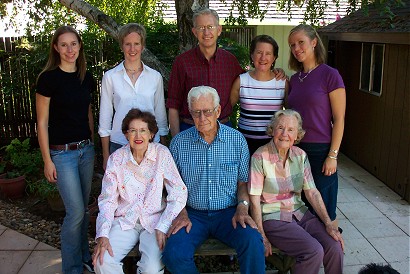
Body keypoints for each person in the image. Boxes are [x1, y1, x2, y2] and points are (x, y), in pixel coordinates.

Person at [162, 86, 265, 274]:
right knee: (174, 253)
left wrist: (242, 208)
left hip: (228, 214)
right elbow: (171, 186)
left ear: (217, 111)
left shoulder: (236, 140)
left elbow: (242, 183)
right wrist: (181, 212)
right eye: (196, 112)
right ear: (190, 113)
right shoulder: (179, 143)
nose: (202, 119)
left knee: (252, 241)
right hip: (193, 215)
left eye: (208, 111)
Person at [248, 109, 344, 274]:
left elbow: (312, 192)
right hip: (273, 217)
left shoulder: (300, 155)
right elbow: (254, 200)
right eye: (280, 128)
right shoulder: (259, 157)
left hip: (300, 213)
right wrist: (261, 236)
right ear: (272, 130)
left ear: (297, 134)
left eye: (291, 130)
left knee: (334, 246)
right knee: (313, 251)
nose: (285, 134)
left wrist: (328, 224)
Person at [93, 109, 187, 274]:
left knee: (151, 269)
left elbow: (179, 192)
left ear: (151, 134)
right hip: (125, 221)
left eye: (143, 130)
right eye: (133, 131)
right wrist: (103, 234)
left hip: (154, 222)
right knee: (102, 262)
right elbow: (108, 200)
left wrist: (164, 225)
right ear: (126, 134)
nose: (138, 136)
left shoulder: (161, 154)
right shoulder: (116, 159)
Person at [166, 8, 285, 136]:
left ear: (219, 30)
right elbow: (173, 104)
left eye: (210, 26)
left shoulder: (230, 61)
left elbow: (253, 78)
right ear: (194, 32)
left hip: (223, 129)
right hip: (190, 129)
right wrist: (176, 140)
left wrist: (275, 72)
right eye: (201, 28)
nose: (206, 32)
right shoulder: (182, 62)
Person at [36, 25, 96, 273]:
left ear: (79, 46)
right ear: (56, 48)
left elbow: (89, 112)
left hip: (86, 151)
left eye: (73, 43)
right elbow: (41, 122)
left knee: (82, 210)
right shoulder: (48, 79)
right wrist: (47, 160)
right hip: (62, 154)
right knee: (75, 212)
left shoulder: (86, 76)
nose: (69, 49)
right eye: (64, 44)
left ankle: (84, 257)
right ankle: (71, 269)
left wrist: (92, 141)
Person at [287, 24, 346, 230]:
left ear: (314, 42)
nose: (296, 48)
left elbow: (339, 119)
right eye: (292, 45)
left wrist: (333, 155)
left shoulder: (330, 75)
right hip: (296, 151)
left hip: (321, 151)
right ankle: (308, 254)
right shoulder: (294, 79)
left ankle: (333, 253)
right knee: (302, 207)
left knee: (325, 208)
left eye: (301, 42)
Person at [99, 23, 168, 169]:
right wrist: (106, 156)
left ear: (142, 46)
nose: (132, 49)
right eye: (128, 44)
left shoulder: (155, 77)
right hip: (119, 143)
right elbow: (105, 119)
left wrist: (163, 145)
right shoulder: (110, 77)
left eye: (136, 44)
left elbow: (160, 114)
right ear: (122, 46)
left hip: (150, 143)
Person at [230, 34, 287, 155]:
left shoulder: (283, 83)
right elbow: (226, 110)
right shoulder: (241, 81)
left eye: (268, 53)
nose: (263, 57)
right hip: (245, 144)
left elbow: (290, 114)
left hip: (273, 145)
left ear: (274, 57)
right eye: (259, 52)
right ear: (252, 55)